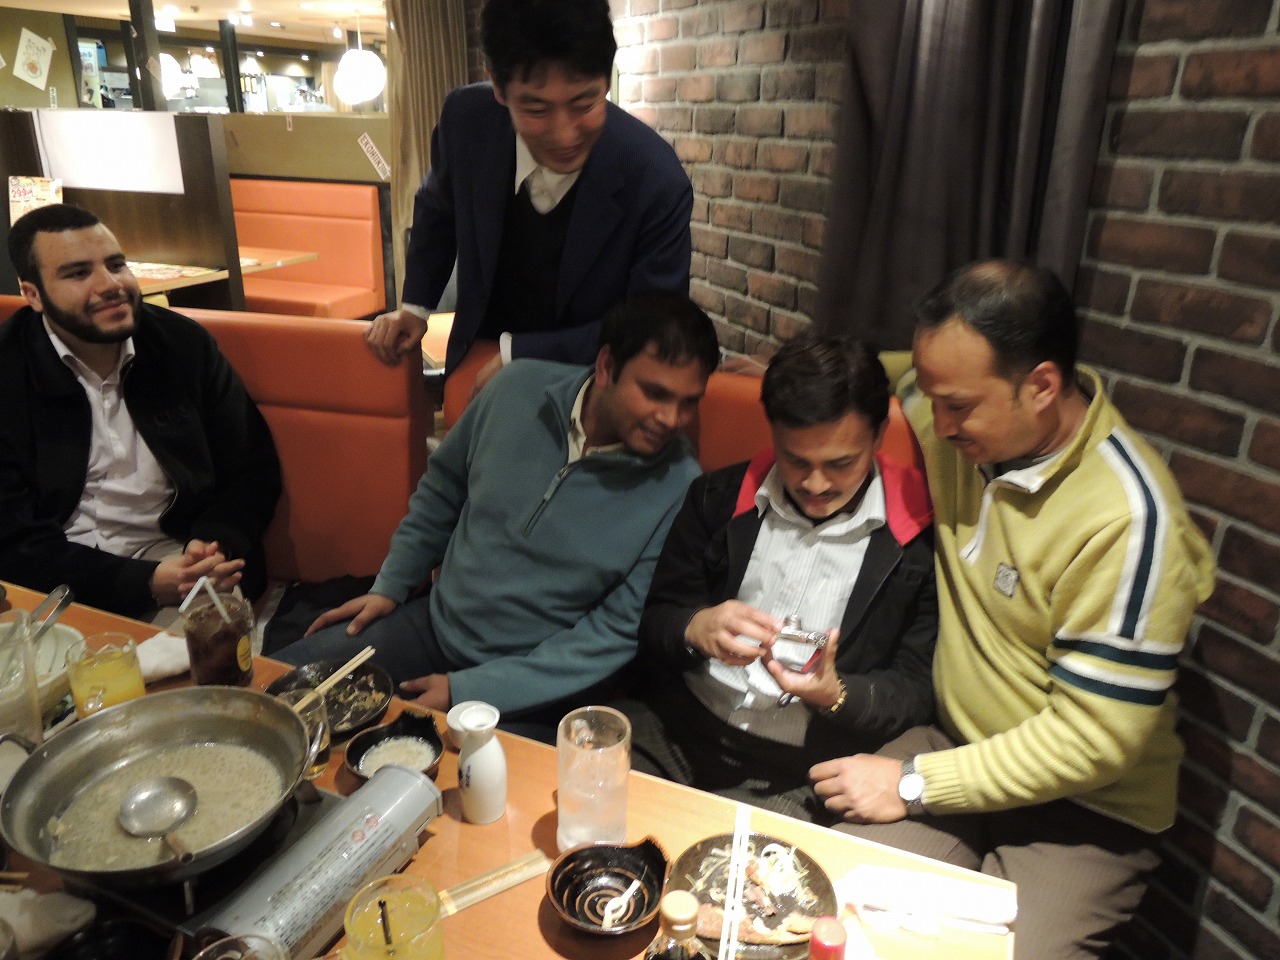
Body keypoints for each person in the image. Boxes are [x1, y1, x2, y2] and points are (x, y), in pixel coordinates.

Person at [814, 261, 1216, 959]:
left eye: (958, 405)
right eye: (932, 398)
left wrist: (912, 784)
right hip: (954, 742)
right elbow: (901, 374)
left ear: (1042, 387)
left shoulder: (1129, 521)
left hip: (1084, 811)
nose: (936, 423)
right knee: (834, 911)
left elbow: (1093, 743)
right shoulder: (961, 412)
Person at [276, 293, 720, 731]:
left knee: (424, 771)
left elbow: (613, 633)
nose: (671, 419)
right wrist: (392, 583)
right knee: (276, 695)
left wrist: (469, 689)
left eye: (689, 401)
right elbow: (442, 488)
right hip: (432, 626)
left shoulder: (680, 486)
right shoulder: (517, 388)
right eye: (655, 393)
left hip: (532, 686)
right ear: (606, 367)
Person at [619, 334, 937, 821]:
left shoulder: (916, 541)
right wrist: (694, 627)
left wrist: (837, 694)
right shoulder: (717, 498)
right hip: (675, 728)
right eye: (796, 460)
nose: (816, 484)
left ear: (878, 437)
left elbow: (915, 690)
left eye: (840, 463)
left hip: (798, 772)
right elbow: (656, 618)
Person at [365, 0, 693, 392]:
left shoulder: (655, 177)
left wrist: (519, 355)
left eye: (584, 103)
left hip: (595, 380)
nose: (565, 135)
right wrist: (415, 308)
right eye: (536, 108)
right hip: (480, 351)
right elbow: (438, 209)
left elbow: (653, 322)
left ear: (607, 80)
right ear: (497, 85)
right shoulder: (467, 120)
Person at [0, 204, 281, 622]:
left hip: (174, 556)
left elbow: (251, 469)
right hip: (48, 577)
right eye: (78, 273)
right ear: (33, 294)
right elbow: (11, 536)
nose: (110, 285)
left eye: (116, 265)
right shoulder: (9, 370)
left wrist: (212, 543)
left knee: (204, 646)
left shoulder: (182, 345)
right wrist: (139, 582)